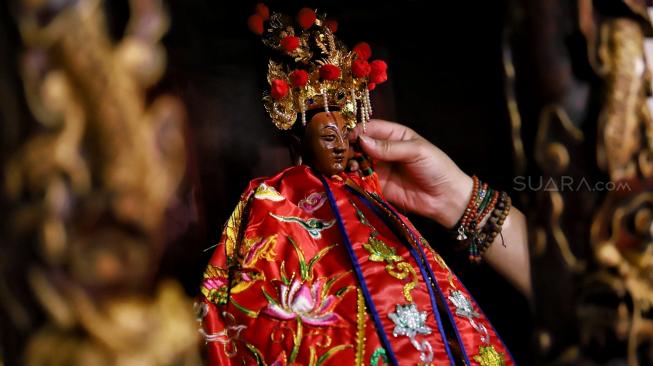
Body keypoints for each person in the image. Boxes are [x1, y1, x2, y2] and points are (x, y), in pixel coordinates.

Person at [196, 5, 529, 365]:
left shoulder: (372, 200)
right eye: (327, 136)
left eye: (344, 133)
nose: (340, 144)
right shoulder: (274, 205)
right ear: (296, 146)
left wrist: (459, 199)